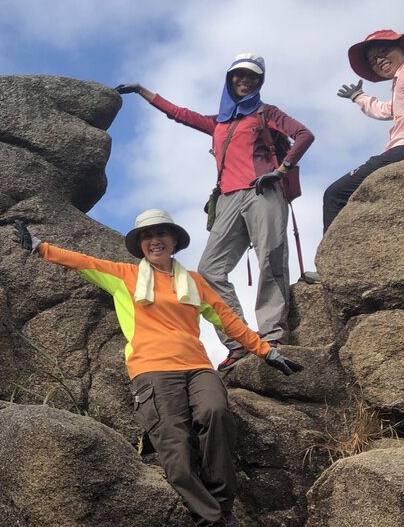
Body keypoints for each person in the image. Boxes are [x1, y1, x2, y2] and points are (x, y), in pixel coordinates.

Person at [13, 209, 302, 527]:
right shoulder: (126, 276)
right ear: (140, 245)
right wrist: (40, 247)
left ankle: (223, 506)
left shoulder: (194, 282)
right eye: (147, 236)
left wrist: (266, 352)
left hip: (197, 367)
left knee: (216, 413)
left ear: (174, 240)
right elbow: (82, 263)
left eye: (162, 234)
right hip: (151, 371)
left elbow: (228, 320)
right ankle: (210, 525)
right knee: (175, 447)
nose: (155, 241)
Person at [117, 54, 314, 371]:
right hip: (227, 199)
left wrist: (281, 170)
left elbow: (304, 134)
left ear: (259, 81)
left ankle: (272, 335)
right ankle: (239, 340)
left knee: (271, 258)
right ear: (230, 79)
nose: (244, 80)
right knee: (209, 270)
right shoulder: (219, 122)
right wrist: (142, 91)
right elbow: (180, 114)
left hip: (263, 191)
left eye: (252, 76)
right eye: (239, 75)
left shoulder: (267, 112)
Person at [321, 28, 404, 232]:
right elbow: (387, 110)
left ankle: (333, 251)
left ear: (402, 47)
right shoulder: (400, 80)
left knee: (335, 194)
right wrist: (359, 96)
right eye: (373, 60)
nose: (379, 60)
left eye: (383, 51)